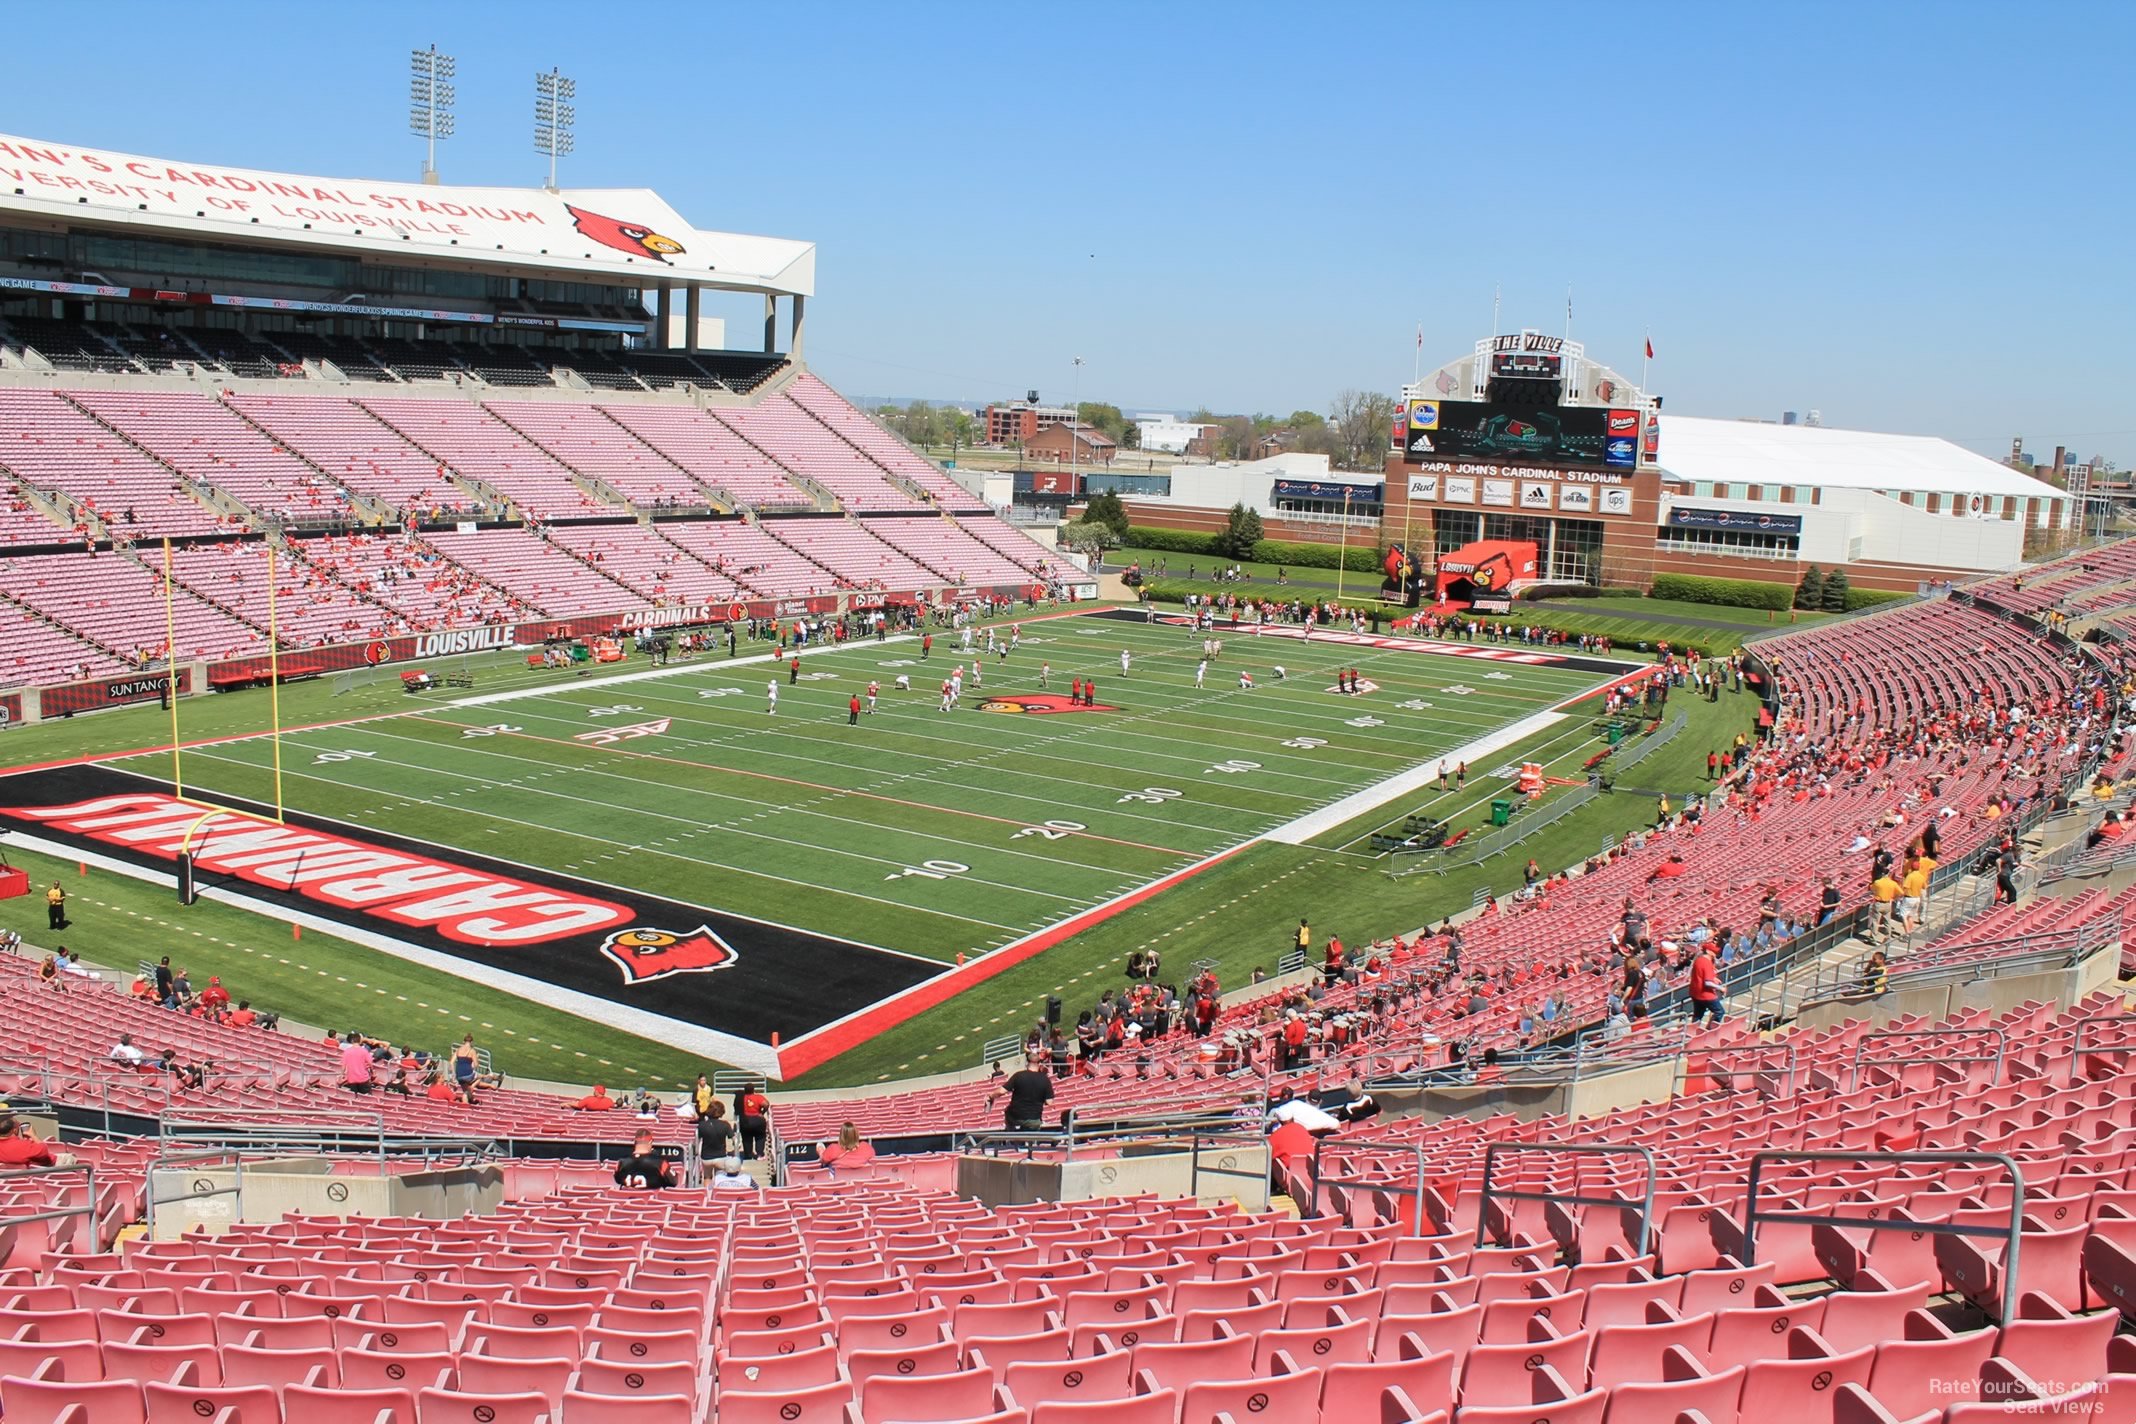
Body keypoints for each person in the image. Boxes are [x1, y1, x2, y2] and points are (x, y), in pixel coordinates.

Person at [995, 1057, 1054, 1131]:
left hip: (1016, 1118)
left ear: (1027, 1063)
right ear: (1039, 1064)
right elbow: (1049, 1102)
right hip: (1034, 1120)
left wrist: (990, 1096)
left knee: (1007, 1111)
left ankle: (1011, 1137)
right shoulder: (1045, 1079)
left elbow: (1001, 1091)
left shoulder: (1018, 1075)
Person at [0, 1108, 66, 1168]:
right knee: (72, 1158)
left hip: (17, 1175)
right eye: (17, 1125)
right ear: (14, 1130)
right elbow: (44, 1151)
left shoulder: (23, 1145)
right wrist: (33, 1135)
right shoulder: (24, 1146)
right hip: (50, 1166)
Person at [1688, 944, 1723, 1025]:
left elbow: (1701, 975)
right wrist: (1720, 988)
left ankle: (1692, 1032)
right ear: (1707, 951)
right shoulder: (1706, 962)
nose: (1715, 953)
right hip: (1705, 994)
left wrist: (1714, 978)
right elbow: (1707, 982)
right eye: (1713, 951)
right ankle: (1709, 1031)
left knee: (1698, 1015)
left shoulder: (1698, 960)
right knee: (1719, 1011)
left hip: (1695, 993)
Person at [736, 1083, 771, 1161]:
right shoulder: (758, 1097)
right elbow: (766, 1104)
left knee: (746, 1138)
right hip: (757, 1120)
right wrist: (762, 1113)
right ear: (753, 1090)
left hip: (745, 1120)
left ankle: (748, 1155)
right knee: (760, 1137)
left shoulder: (742, 1098)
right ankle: (760, 1154)